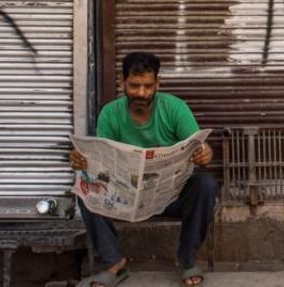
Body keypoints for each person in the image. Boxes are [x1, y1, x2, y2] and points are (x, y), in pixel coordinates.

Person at [70, 52, 217, 287]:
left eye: (148, 86)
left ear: (157, 84)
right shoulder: (110, 113)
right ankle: (114, 263)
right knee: (84, 189)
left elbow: (200, 148)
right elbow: (102, 166)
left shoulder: (175, 108)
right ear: (123, 83)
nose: (141, 93)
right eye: (134, 86)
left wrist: (204, 154)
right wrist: (84, 162)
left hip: (170, 197)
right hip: (124, 200)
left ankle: (188, 261)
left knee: (206, 185)